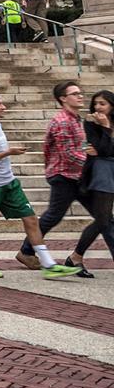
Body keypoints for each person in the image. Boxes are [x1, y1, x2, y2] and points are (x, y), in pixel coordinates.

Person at [0, 90, 81, 279]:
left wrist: (8, 154)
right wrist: (8, 152)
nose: (4, 107)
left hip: (9, 182)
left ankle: (48, 264)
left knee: (31, 219)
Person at [17, 81, 91, 270]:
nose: (80, 96)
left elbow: (79, 150)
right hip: (63, 175)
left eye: (80, 93)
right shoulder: (63, 121)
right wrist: (92, 163)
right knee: (53, 216)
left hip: (76, 176)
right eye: (75, 93)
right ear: (63, 99)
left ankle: (27, 250)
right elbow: (69, 154)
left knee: (103, 217)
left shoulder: (76, 119)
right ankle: (26, 250)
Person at [70, 89, 114, 272]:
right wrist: (106, 128)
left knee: (105, 220)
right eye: (95, 103)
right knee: (103, 219)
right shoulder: (91, 122)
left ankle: (75, 257)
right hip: (101, 172)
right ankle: (76, 256)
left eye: (102, 103)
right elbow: (103, 150)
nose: (98, 107)